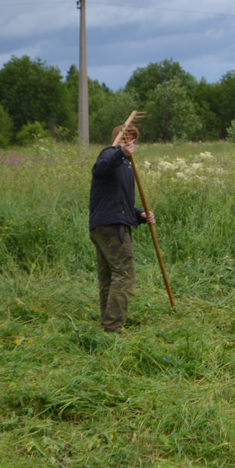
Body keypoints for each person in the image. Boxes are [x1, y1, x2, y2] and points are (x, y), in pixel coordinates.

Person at [89, 125, 155, 333]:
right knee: (125, 274)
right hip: (111, 227)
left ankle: (107, 325)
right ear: (118, 138)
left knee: (109, 277)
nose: (131, 142)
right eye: (127, 138)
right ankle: (111, 327)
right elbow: (99, 169)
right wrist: (119, 152)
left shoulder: (127, 165)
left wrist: (140, 216)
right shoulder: (110, 154)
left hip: (105, 224)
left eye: (134, 139)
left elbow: (120, 202)